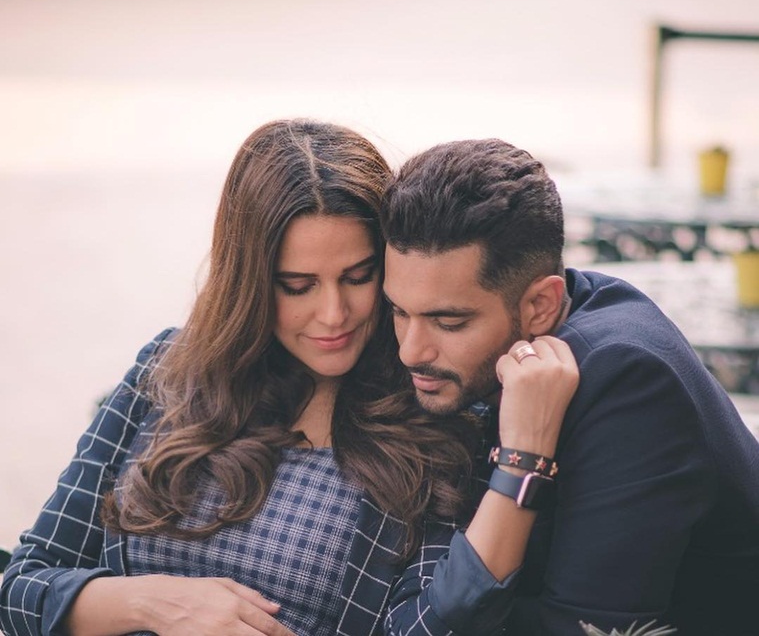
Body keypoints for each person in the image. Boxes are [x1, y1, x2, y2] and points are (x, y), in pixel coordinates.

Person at [0, 120, 578, 636]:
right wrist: (153, 604)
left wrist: (523, 464)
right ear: (248, 280)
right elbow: (22, 586)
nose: (333, 315)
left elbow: (437, 626)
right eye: (296, 286)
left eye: (358, 277)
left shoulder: (429, 407)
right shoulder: (169, 370)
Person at [379, 137, 759, 636]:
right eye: (399, 312)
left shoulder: (628, 385)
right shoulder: (496, 347)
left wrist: (523, 464)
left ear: (539, 305)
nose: (411, 351)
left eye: (448, 322)